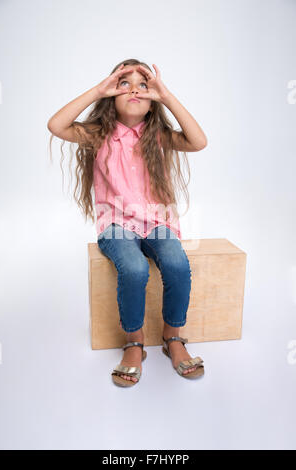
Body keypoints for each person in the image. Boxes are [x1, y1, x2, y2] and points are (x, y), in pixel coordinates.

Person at [47, 59, 207, 387]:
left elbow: (199, 141)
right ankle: (134, 342)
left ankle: (172, 337)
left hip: (157, 222)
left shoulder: (158, 136)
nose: (134, 88)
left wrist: (167, 95)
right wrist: (98, 90)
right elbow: (56, 125)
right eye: (124, 83)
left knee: (177, 263)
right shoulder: (99, 135)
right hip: (116, 224)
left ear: (152, 100)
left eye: (143, 85)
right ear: (112, 94)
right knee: (134, 269)